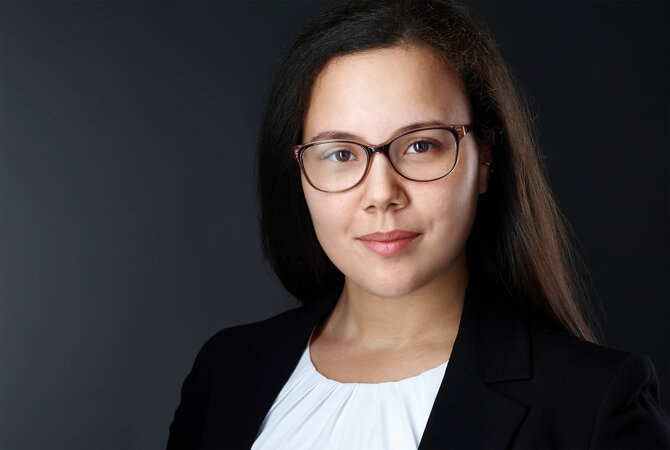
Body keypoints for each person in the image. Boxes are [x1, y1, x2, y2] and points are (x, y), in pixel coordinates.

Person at [167, 0, 670, 448]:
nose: (381, 194)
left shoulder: (594, 404)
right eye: (341, 153)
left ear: (484, 160)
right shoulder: (225, 373)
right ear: (298, 171)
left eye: (421, 145)